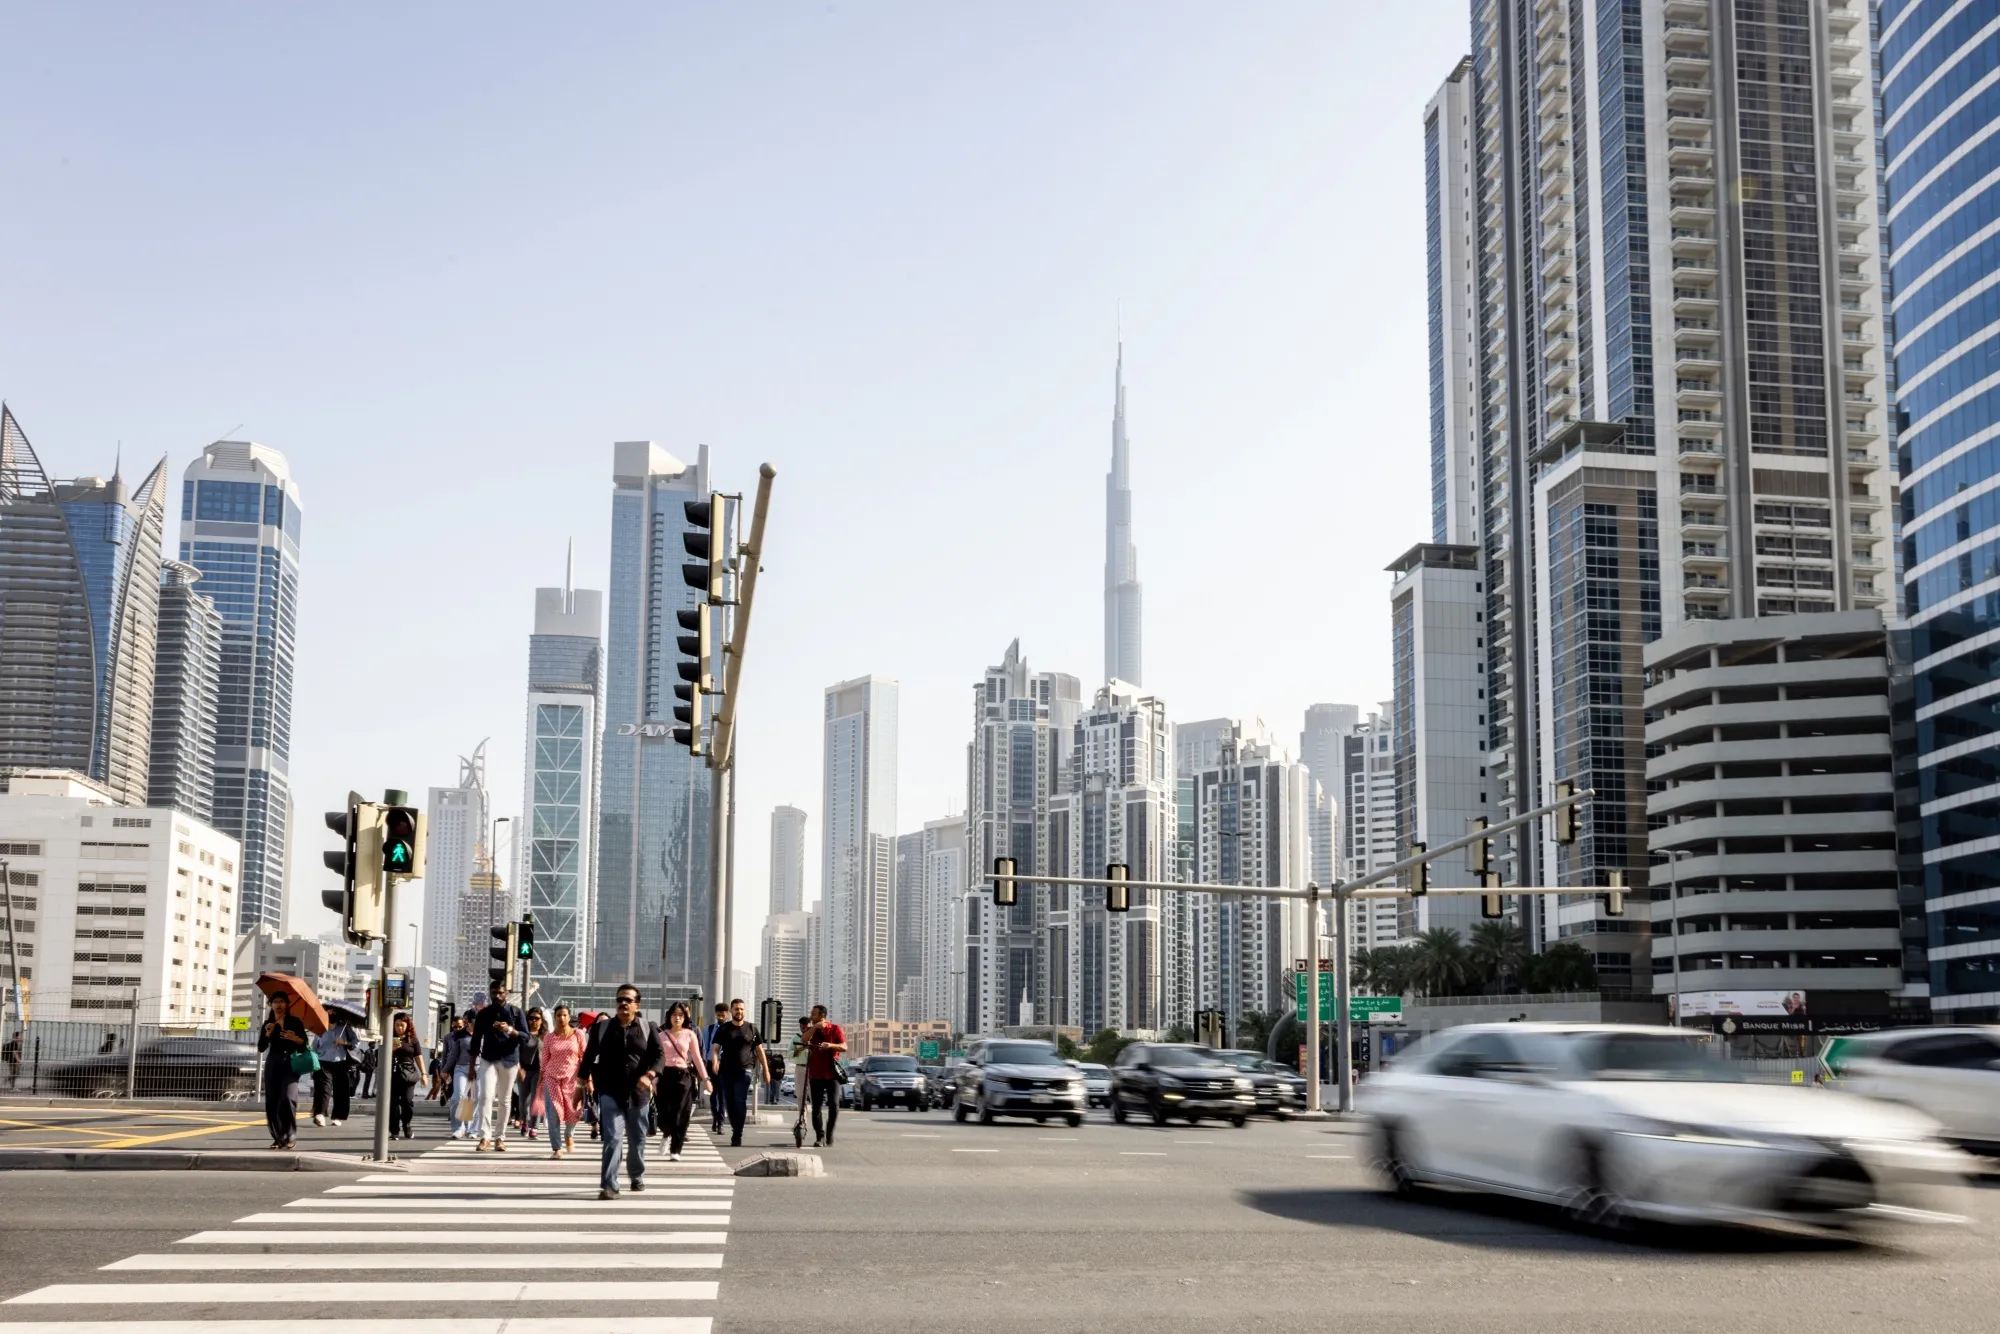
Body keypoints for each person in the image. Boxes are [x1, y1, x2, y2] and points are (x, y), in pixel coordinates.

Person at [579, 984, 663, 1199]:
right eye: (620, 1000)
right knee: (613, 1138)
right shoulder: (603, 1028)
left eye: (628, 1000)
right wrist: (580, 1083)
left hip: (639, 1094)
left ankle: (636, 1176)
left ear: (637, 1004)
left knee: (637, 1139)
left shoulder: (648, 1027)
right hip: (610, 1091)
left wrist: (650, 1075)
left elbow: (659, 1056)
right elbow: (589, 1056)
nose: (623, 1003)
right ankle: (609, 1185)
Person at [470, 982, 528, 1151]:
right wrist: (471, 1066)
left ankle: (500, 1137)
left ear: (506, 994)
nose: (497, 996)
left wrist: (509, 1030)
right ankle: (485, 1136)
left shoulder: (516, 1012)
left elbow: (525, 1037)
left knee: (504, 1100)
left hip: (510, 1060)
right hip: (488, 1059)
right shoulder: (484, 1014)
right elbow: (475, 1041)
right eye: (494, 992)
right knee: (485, 1097)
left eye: (500, 993)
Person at [710, 997, 770, 1148]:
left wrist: (766, 1070)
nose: (739, 1011)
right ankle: (735, 1128)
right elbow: (716, 1048)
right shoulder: (724, 1029)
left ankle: (738, 1134)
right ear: (731, 1011)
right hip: (726, 1071)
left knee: (740, 1101)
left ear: (745, 1011)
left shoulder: (752, 1028)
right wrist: (715, 1061)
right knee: (730, 1104)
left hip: (745, 1071)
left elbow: (759, 1050)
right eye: (736, 1009)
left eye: (742, 1009)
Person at [656, 1001, 709, 1161]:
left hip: (683, 1075)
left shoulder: (690, 1034)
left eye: (680, 1015)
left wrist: (705, 1078)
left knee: (681, 1112)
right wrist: (653, 1078)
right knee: (663, 1113)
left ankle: (675, 1149)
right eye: (674, 1014)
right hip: (664, 1075)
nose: (677, 1018)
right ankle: (666, 1133)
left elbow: (698, 1058)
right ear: (669, 1016)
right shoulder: (661, 1035)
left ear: (685, 1017)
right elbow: (656, 1058)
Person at [256, 993, 310, 1149]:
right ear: (270, 1005)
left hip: (291, 1062)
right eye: (275, 1002)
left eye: (281, 1002)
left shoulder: (295, 1022)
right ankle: (278, 1138)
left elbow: (304, 1044)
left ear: (287, 1004)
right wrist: (267, 1033)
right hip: (273, 1062)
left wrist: (295, 1039)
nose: (278, 1005)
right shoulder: (268, 1023)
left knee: (288, 1098)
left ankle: (290, 1135)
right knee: (272, 1101)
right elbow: (261, 1047)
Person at [537, 1004, 587, 1158]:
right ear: (554, 1017)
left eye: (564, 1015)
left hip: (572, 1079)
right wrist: (541, 1079)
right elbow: (545, 1060)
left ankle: (569, 1134)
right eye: (558, 1015)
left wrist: (587, 1078)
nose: (562, 1018)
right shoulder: (549, 1037)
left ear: (569, 1017)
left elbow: (584, 1057)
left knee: (573, 1111)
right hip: (552, 1079)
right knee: (553, 1114)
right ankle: (557, 1148)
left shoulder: (578, 1034)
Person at [803, 1004, 846, 1148]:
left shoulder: (835, 1029)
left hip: (831, 1073)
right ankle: (819, 1136)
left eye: (814, 1014)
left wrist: (831, 1045)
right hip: (815, 1073)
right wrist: (814, 1027)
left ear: (822, 1015)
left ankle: (829, 1133)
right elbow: (804, 1040)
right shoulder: (811, 1029)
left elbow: (844, 1046)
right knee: (816, 1107)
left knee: (834, 1105)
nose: (811, 1016)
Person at [311, 1012, 357, 1126]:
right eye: (328, 1012)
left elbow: (355, 1043)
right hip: (323, 1063)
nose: (331, 1014)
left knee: (341, 1090)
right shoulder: (321, 1028)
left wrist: (344, 1042)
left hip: (340, 1063)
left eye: (333, 1012)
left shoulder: (345, 1027)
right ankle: (320, 1114)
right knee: (323, 1088)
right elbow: (314, 1047)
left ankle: (338, 1116)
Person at [437, 1010, 476, 1138]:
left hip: (478, 1069)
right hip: (460, 1068)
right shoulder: (458, 1035)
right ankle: (458, 1127)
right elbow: (451, 1054)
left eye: (466, 1022)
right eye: (465, 1022)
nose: (465, 1024)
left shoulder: (483, 1035)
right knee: (457, 1097)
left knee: (471, 1099)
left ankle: (470, 1129)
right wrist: (445, 1069)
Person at [388, 1012, 424, 1140]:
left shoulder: (412, 1039)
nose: (399, 1028)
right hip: (392, 1073)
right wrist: (390, 1049)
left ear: (408, 1025)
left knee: (407, 1102)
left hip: (408, 1074)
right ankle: (394, 1131)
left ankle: (407, 1125)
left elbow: (418, 1057)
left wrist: (424, 1074)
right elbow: (379, 1056)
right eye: (396, 1025)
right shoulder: (388, 1037)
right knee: (392, 1103)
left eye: (402, 1025)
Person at [515, 1008, 546, 1139]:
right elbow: (515, 1052)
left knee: (536, 1100)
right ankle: (524, 1121)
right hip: (523, 1070)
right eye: (531, 1018)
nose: (534, 1021)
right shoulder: (523, 1035)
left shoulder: (546, 1036)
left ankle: (534, 1127)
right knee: (523, 1101)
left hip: (539, 1071)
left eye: (537, 1018)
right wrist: (518, 1068)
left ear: (542, 1020)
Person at [700, 1002, 730, 1134]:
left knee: (722, 1095)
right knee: (712, 1095)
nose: (721, 1018)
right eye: (718, 1015)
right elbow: (705, 1047)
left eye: (723, 1015)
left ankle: (721, 1123)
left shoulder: (730, 1028)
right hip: (711, 1063)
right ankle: (715, 1118)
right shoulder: (710, 1029)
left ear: (727, 1014)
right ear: (715, 1014)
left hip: (726, 1065)